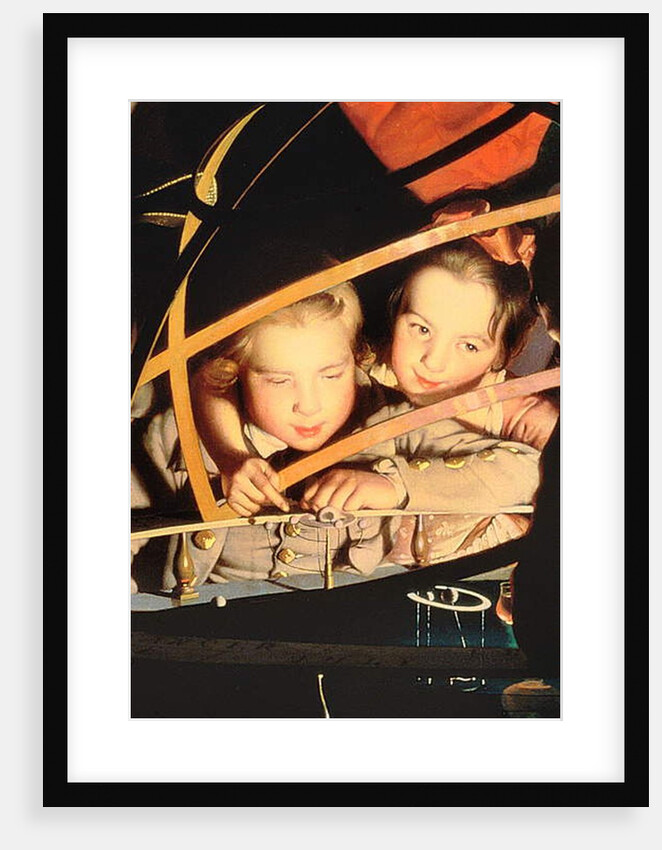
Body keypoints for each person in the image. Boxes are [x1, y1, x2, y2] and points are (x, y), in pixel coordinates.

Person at [131, 280, 542, 591]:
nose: (309, 405)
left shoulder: (389, 417)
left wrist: (393, 485)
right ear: (237, 372)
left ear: (357, 356)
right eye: (278, 380)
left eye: (331, 375)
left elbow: (528, 468)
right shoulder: (175, 431)